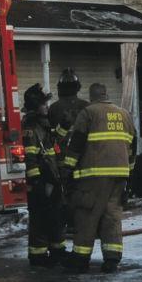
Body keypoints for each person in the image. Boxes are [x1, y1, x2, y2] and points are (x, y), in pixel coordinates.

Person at [61, 82, 136, 273]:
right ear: (106, 94)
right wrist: (129, 172)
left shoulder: (88, 113)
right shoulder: (124, 114)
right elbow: (132, 145)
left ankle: (80, 258)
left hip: (93, 174)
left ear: (91, 96)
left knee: (87, 214)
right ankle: (112, 258)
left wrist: (67, 168)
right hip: (120, 174)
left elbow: (77, 142)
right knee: (112, 215)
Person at [46, 68, 90, 255]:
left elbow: (51, 136)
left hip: (62, 159)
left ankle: (65, 226)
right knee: (82, 193)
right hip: (83, 158)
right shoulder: (86, 106)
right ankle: (80, 224)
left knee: (63, 196)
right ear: (77, 87)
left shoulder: (54, 108)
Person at [20, 83, 64, 266]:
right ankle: (38, 255)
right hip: (41, 181)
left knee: (55, 216)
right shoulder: (31, 127)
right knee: (40, 218)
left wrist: (64, 128)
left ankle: (57, 250)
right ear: (35, 106)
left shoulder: (43, 124)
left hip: (51, 178)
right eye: (44, 104)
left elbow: (53, 144)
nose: (47, 107)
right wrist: (37, 181)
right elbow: (31, 157)